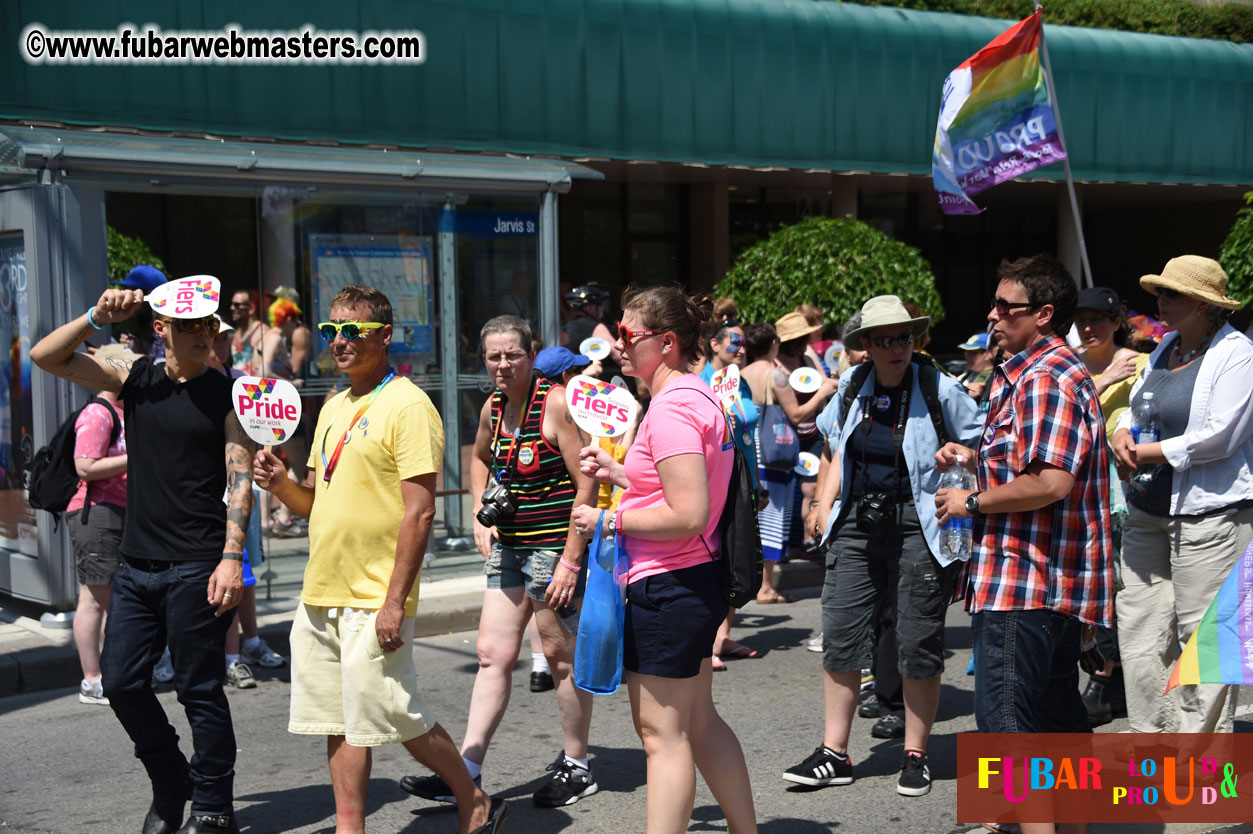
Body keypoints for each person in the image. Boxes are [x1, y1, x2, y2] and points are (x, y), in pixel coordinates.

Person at [253, 285, 506, 834]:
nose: (339, 342)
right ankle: (351, 828)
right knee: (338, 721)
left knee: (396, 714)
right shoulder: (334, 406)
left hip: (374, 593)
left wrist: (395, 600)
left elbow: (419, 514)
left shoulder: (409, 405)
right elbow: (314, 500)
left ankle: (475, 800)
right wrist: (280, 485)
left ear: (384, 336)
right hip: (322, 588)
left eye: (353, 331)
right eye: (330, 331)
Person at [32, 285, 254, 834]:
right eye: (191, 328)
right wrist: (95, 316)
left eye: (210, 326)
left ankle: (212, 803)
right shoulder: (133, 376)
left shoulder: (230, 394)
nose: (204, 336)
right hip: (135, 564)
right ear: (161, 330)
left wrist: (231, 558)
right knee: (122, 683)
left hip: (198, 563)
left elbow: (240, 480)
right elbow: (45, 356)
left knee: (199, 689)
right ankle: (170, 780)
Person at [935, 254, 1113, 834]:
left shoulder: (1044, 377)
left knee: (1012, 730)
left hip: (1028, 579)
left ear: (1042, 314)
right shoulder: (1031, 371)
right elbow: (1031, 462)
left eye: (1005, 307)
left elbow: (1051, 482)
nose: (992, 314)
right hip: (1042, 579)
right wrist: (976, 461)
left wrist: (973, 501)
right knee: (1059, 724)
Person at [570, 285, 757, 834]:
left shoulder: (672, 409)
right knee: (698, 724)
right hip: (690, 580)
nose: (617, 346)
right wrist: (621, 474)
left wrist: (606, 519)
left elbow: (689, 512)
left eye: (628, 336)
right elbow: (680, 487)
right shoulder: (695, 397)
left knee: (662, 738)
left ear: (667, 342)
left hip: (668, 585)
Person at [785, 296, 981, 797]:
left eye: (905, 337)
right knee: (842, 634)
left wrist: (964, 455)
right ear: (865, 346)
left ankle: (915, 754)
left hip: (921, 522)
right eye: (885, 339)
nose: (897, 347)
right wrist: (821, 505)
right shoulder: (852, 385)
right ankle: (835, 752)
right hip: (856, 520)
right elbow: (832, 446)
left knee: (917, 640)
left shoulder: (939, 386)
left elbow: (987, 445)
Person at [402, 315, 599, 809]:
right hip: (510, 546)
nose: (503, 364)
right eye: (494, 356)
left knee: (559, 657)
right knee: (492, 654)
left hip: (552, 549)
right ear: (483, 361)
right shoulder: (494, 406)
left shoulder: (555, 403)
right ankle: (463, 771)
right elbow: (480, 457)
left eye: (513, 354)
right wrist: (478, 514)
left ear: (531, 355)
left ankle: (578, 766)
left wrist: (573, 560)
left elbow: (588, 483)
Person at [1110, 256, 1253, 734]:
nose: (1161, 302)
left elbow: (1218, 437)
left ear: (1203, 304)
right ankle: (1153, 738)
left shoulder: (1238, 354)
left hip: (1209, 516)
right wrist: (1123, 434)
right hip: (1148, 509)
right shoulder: (1164, 347)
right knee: (1138, 632)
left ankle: (1197, 755)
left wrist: (1143, 451)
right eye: (1160, 293)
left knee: (1204, 641)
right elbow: (1136, 404)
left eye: (1170, 294)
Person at [1073, 286, 1146, 725]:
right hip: (1077, 495)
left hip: (1123, 497)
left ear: (1117, 321)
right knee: (1092, 588)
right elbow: (1064, 418)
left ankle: (1106, 679)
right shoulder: (1073, 369)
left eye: (1098, 318)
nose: (1088, 327)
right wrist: (1102, 381)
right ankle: (1105, 674)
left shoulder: (1140, 367)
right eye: (1081, 318)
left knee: (1121, 589)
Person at [698, 317, 762, 670]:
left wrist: (757, 481)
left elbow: (750, 432)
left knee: (737, 557)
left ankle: (724, 635)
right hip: (716, 481)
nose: (741, 348)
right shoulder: (700, 383)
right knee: (715, 558)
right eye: (734, 343)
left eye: (742, 343)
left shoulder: (741, 382)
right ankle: (709, 642)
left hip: (745, 479)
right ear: (714, 346)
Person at [67, 347, 130, 706]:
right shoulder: (99, 412)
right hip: (97, 512)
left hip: (117, 510)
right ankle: (93, 680)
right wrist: (133, 458)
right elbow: (85, 466)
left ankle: (109, 674)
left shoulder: (122, 410)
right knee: (95, 598)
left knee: (107, 598)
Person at [228, 290, 267, 377]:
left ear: (251, 308)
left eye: (237, 305)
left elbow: (264, 370)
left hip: (254, 388)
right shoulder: (238, 332)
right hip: (237, 387)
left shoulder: (261, 332)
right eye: (232, 304)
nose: (232, 308)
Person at [955, 332, 994, 399]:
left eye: (973, 353)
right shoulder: (965, 375)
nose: (967, 357)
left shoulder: (994, 378)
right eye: (966, 353)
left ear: (988, 354)